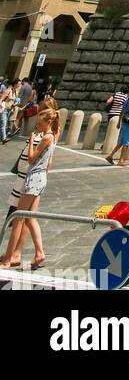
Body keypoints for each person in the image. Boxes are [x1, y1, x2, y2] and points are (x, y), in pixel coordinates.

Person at [0, 106, 60, 271]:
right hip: (40, 179)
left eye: (40, 123)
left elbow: (32, 158)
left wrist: (33, 140)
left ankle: (8, 259)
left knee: (19, 217)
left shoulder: (46, 137)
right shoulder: (51, 136)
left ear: (48, 122)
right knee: (29, 217)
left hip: (34, 178)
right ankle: (39, 253)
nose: (37, 126)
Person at [106, 84, 129, 166]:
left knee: (122, 141)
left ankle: (110, 156)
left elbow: (122, 110)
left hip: (124, 120)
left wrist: (119, 121)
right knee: (126, 142)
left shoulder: (128, 98)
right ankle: (121, 160)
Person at [0, 79, 19, 145]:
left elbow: (14, 102)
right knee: (4, 123)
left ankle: (2, 136)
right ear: (15, 84)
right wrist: (1, 107)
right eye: (18, 84)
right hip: (4, 109)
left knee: (2, 123)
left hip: (9, 110)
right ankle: (4, 138)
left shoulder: (16, 92)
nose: (19, 85)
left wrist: (13, 108)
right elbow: (1, 99)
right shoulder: (8, 91)